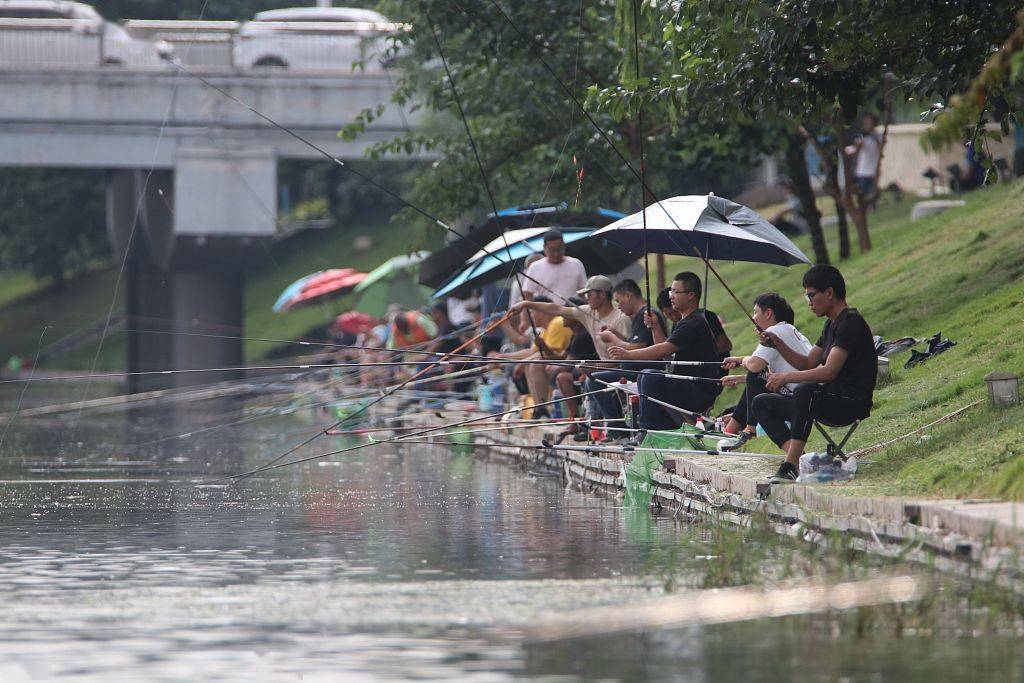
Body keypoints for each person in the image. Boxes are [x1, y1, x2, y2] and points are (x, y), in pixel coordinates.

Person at [752, 265, 876, 483]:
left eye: (811, 295)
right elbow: (808, 362)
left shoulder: (850, 323)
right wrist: (777, 344)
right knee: (762, 403)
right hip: (824, 398)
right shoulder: (831, 325)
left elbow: (828, 372)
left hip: (850, 401)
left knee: (805, 390)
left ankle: (790, 466)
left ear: (829, 293)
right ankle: (800, 459)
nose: (808, 302)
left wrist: (785, 377)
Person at [608, 272, 723, 436]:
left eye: (676, 292)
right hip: (686, 384)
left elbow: (663, 349)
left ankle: (652, 431)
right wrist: (655, 327)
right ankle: (656, 428)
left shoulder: (694, 322)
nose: (671, 296)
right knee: (644, 376)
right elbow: (668, 356)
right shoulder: (683, 323)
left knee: (649, 376)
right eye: (671, 292)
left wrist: (628, 354)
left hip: (700, 389)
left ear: (691, 295)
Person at [717, 293, 812, 451]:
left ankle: (749, 429)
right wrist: (741, 376)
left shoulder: (774, 332)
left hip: (802, 399)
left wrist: (743, 360)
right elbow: (764, 375)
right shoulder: (790, 330)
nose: (753, 317)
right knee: (755, 376)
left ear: (768, 313)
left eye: (755, 312)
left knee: (758, 393)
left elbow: (754, 366)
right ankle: (735, 429)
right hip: (809, 393)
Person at [586, 279, 667, 437]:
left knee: (593, 380)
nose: (619, 306)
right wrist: (616, 334)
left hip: (644, 372)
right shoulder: (639, 316)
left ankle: (617, 429)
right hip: (637, 371)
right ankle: (616, 427)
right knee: (593, 378)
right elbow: (634, 343)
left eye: (619, 301)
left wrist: (611, 338)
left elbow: (638, 347)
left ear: (628, 296)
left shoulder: (646, 314)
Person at [489, 296, 572, 410]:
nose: (531, 317)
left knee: (534, 363)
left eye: (533, 313)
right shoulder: (545, 330)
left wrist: (523, 362)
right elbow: (531, 352)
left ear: (543, 312)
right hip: (556, 364)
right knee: (531, 362)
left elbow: (550, 354)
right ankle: (539, 409)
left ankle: (542, 409)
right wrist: (502, 357)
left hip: (566, 364)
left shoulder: (556, 323)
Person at [521, 229, 587, 305]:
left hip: (571, 313)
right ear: (544, 247)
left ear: (564, 245)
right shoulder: (535, 267)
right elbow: (527, 296)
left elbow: (583, 292)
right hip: (547, 314)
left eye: (559, 249)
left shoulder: (576, 264)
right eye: (552, 250)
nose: (556, 253)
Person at [845, 113, 881, 205]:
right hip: (861, 172)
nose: (867, 124)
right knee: (862, 197)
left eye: (869, 122)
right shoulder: (861, 137)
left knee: (872, 196)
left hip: (873, 172)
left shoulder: (877, 136)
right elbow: (853, 151)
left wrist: (873, 136)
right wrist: (858, 145)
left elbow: (881, 147)